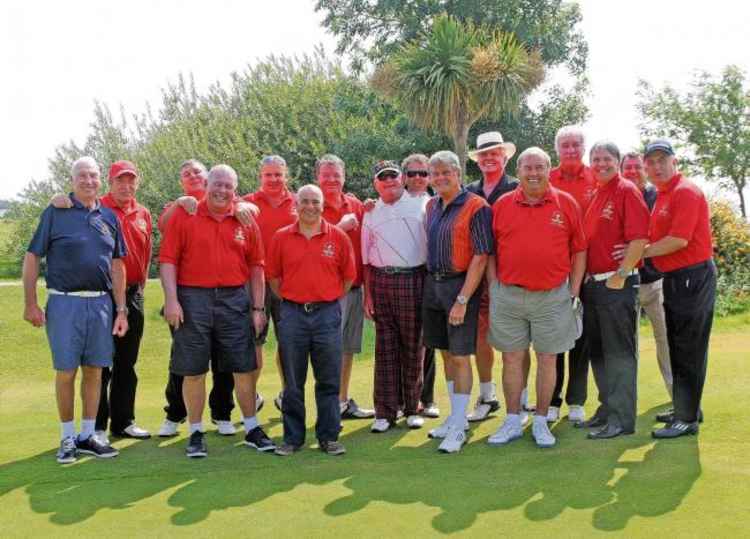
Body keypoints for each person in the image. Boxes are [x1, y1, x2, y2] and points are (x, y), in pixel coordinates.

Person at [159, 164, 274, 457]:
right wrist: (171, 300)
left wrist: (258, 307)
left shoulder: (245, 218)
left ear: (235, 190)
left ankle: (251, 427)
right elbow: (168, 260)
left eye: (228, 186)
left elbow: (257, 266)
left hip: (235, 299)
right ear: (207, 185)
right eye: (217, 184)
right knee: (194, 369)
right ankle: (195, 432)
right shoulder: (186, 215)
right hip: (192, 298)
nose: (222, 190)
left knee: (243, 366)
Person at [23, 156, 128, 463]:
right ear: (72, 180)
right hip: (64, 302)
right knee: (67, 371)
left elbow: (118, 265)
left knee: (95, 370)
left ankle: (88, 434)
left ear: (100, 181)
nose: (88, 181)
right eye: (82, 176)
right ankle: (67, 437)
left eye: (93, 176)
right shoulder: (55, 212)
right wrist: (30, 303)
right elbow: (32, 258)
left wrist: (121, 309)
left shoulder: (109, 217)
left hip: (101, 303)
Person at [486, 147, 586, 448]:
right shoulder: (502, 204)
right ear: (518, 170)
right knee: (512, 358)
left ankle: (541, 421)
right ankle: (513, 420)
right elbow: (490, 250)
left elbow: (579, 249)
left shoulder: (565, 203)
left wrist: (574, 290)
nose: (533, 173)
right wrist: (493, 285)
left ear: (548, 169)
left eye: (539, 167)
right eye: (528, 167)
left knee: (547, 359)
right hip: (509, 296)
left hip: (552, 296)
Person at [267, 184, 356, 456]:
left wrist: (325, 299)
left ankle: (329, 436)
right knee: (293, 382)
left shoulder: (338, 237)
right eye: (304, 201)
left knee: (329, 379)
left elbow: (348, 278)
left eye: (315, 202)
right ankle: (293, 439)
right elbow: (273, 278)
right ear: (296, 204)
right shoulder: (281, 238)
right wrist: (296, 299)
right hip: (292, 314)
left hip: (327, 314)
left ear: (322, 205)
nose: (310, 206)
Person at [641, 140, 716, 439]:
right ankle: (686, 407)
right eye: (652, 161)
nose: (657, 166)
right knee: (678, 345)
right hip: (677, 278)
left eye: (663, 160)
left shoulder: (685, 191)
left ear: (675, 161)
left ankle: (686, 419)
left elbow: (678, 240)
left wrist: (641, 253)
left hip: (692, 276)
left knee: (688, 348)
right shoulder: (664, 194)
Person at [423, 150, 493, 453]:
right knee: (445, 354)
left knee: (462, 355)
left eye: (445, 172)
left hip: (460, 287)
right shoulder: (431, 206)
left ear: (458, 174)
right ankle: (455, 417)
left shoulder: (477, 206)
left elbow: (481, 256)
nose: (440, 178)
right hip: (433, 285)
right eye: (434, 173)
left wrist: (463, 298)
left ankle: (461, 424)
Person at [578, 142, 649, 439]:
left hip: (616, 284)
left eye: (607, 159)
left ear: (618, 162)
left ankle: (621, 420)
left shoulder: (626, 191)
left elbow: (639, 238)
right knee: (600, 353)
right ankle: (607, 409)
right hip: (595, 286)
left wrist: (621, 274)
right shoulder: (598, 193)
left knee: (619, 353)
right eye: (595, 159)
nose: (600, 164)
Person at [464, 131, 531, 423]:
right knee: (481, 337)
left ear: (505, 156)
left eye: (495, 153)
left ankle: (523, 398)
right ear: (478, 160)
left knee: (517, 339)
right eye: (484, 154)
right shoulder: (469, 191)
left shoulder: (518, 188)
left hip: (512, 273)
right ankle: (488, 396)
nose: (489, 158)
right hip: (477, 273)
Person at [362, 160, 428, 432]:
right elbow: (365, 258)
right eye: (382, 178)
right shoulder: (370, 211)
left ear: (402, 179)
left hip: (413, 278)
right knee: (385, 348)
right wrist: (368, 294)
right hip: (381, 280)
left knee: (413, 345)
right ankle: (385, 411)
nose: (388, 181)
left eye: (393, 176)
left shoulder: (421, 205)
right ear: (376, 184)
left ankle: (413, 407)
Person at [316, 154, 375, 420]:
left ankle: (341, 402)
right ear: (318, 177)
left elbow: (368, 243)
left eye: (336, 175)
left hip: (355, 288)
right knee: (328, 350)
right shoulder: (310, 205)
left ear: (344, 177)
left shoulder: (355, 205)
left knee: (348, 348)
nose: (331, 180)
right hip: (327, 292)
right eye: (326, 175)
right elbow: (310, 248)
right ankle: (327, 407)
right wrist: (339, 227)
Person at [547, 125, 597, 423]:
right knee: (553, 339)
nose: (570, 150)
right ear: (557, 149)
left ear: (583, 147)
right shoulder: (546, 177)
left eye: (576, 144)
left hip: (587, 271)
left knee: (581, 338)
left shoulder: (595, 177)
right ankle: (551, 399)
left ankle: (576, 400)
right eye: (565, 145)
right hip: (553, 272)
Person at [242, 156, 298, 413]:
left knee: (289, 343)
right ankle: (250, 397)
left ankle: (288, 395)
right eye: (268, 175)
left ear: (286, 176)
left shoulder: (298, 202)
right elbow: (216, 202)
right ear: (260, 176)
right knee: (254, 340)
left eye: (278, 174)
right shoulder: (246, 202)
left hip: (289, 283)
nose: (273, 179)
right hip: (255, 283)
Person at [620, 152, 673, 401]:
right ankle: (626, 403)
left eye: (636, 167)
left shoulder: (658, 196)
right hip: (626, 283)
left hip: (657, 282)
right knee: (627, 347)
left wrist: (639, 247)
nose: (631, 171)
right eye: (626, 167)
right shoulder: (617, 196)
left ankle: (678, 399)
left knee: (666, 341)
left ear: (645, 170)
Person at [402, 153, 439, 418]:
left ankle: (427, 399)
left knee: (429, 339)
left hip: (430, 276)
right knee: (403, 342)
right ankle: (404, 400)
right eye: (412, 173)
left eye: (423, 173)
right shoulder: (393, 201)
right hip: (403, 278)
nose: (417, 178)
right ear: (404, 177)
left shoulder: (437, 203)